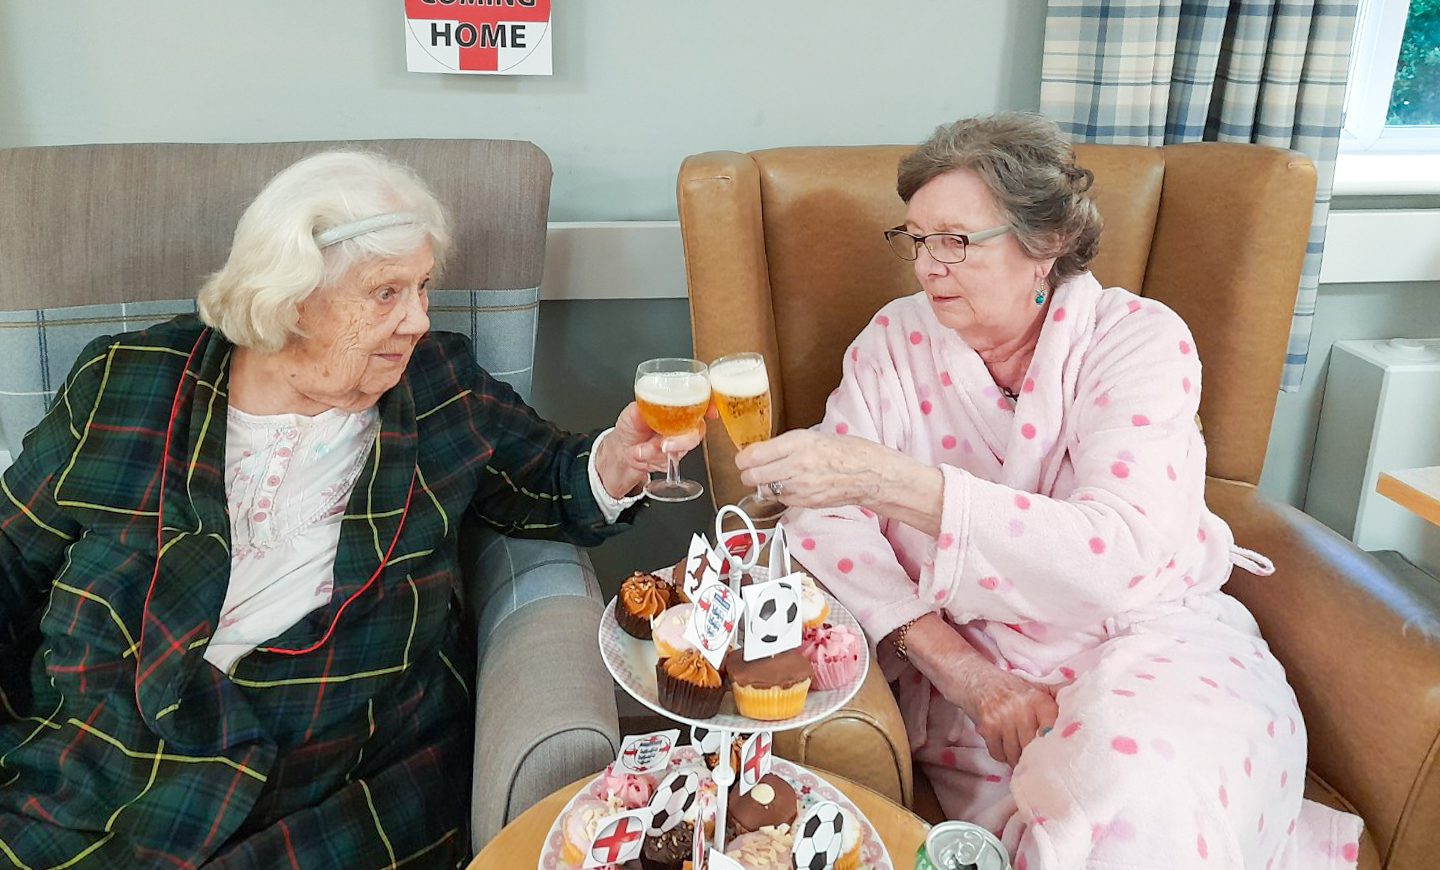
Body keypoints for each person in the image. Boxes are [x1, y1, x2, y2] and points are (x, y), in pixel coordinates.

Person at [0, 151, 701, 867]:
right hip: (102, 757)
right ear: (291, 296)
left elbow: (552, 480)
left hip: (327, 768)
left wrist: (621, 457)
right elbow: (11, 554)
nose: (418, 320)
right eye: (386, 292)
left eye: (423, 288)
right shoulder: (126, 381)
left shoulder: (440, 387)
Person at [735, 114, 1363, 869]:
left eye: (955, 241)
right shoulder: (895, 341)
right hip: (982, 662)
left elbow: (1117, 554)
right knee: (1076, 808)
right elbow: (826, 520)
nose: (927, 267)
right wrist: (964, 673)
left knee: (1145, 787)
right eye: (916, 239)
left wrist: (887, 481)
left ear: (1047, 244)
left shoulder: (1138, 341)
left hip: (1153, 638)